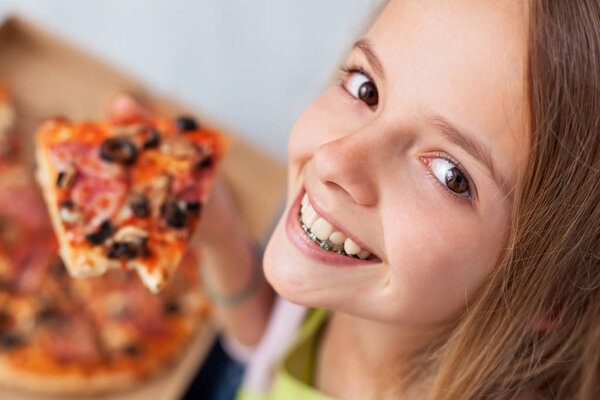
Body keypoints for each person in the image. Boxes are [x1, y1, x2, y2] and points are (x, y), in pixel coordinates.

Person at [112, 0, 600, 398]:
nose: (334, 162)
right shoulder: (340, 279)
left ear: (548, 296)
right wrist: (218, 237)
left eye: (450, 174)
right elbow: (266, 344)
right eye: (365, 88)